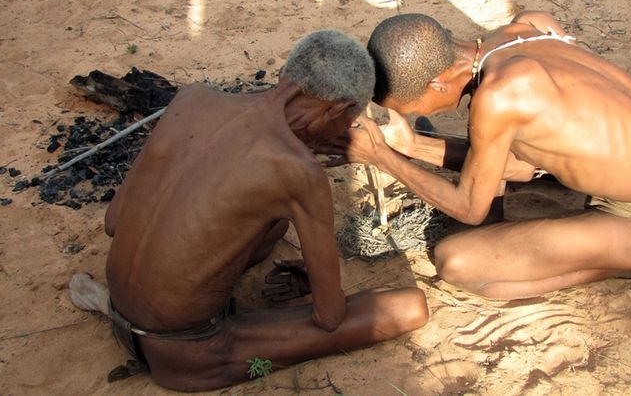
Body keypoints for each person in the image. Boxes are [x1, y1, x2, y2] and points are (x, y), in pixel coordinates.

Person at [69, 30, 428, 392]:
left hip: (121, 299)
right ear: (337, 109)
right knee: (410, 308)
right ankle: (223, 343)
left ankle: (113, 310)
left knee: (269, 222)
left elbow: (113, 222)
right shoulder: (298, 171)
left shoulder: (193, 98)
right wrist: (317, 281)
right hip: (187, 355)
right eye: (346, 121)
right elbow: (330, 317)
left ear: (287, 75)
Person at [333, 12, 631, 300]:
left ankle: (630, 263)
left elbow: (470, 207)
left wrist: (382, 157)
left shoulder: (499, 96)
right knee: (506, 153)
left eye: (411, 107)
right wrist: (412, 146)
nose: (415, 113)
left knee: (458, 263)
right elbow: (516, 155)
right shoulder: (529, 25)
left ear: (438, 84)